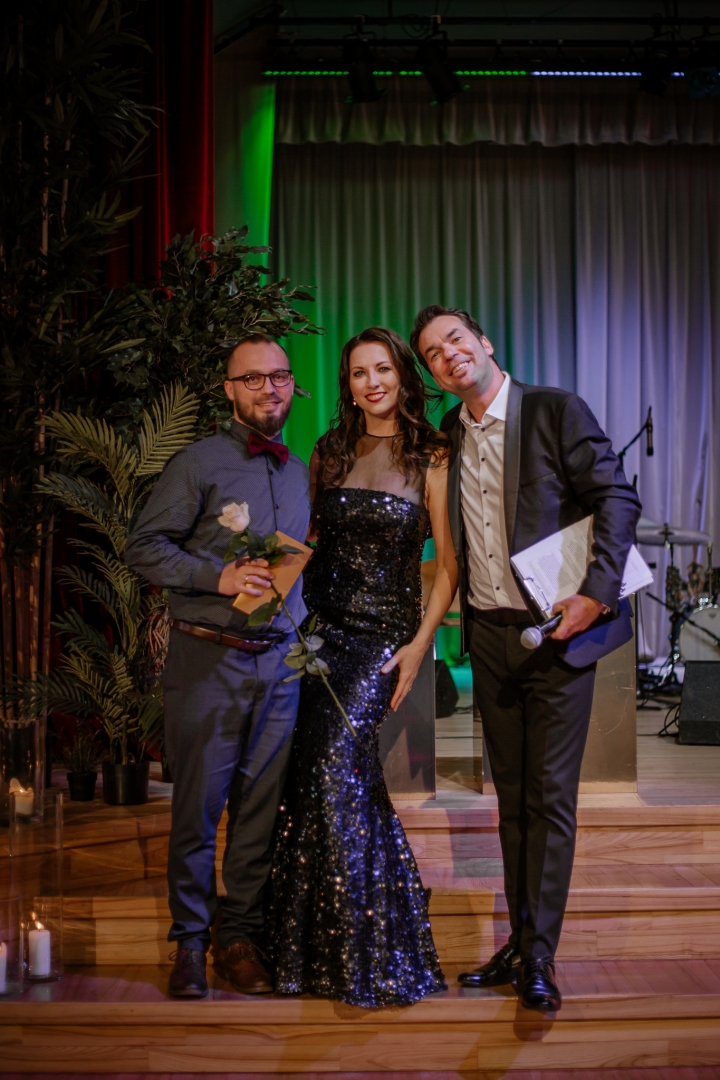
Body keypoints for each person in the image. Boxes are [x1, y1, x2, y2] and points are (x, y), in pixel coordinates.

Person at [410, 306, 641, 1013]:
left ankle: (540, 955)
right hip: (488, 637)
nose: (448, 354)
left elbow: (616, 497)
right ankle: (519, 942)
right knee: (510, 799)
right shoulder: (450, 434)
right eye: (432, 353)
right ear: (433, 375)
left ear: (482, 342)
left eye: (455, 339)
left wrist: (596, 594)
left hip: (558, 632)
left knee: (549, 798)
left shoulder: (553, 410)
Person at [264, 327, 457, 1007]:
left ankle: (364, 947)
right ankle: (329, 946)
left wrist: (419, 647)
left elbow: (449, 568)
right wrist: (255, 583)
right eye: (358, 373)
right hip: (321, 636)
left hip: (381, 641)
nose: (371, 383)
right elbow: (307, 542)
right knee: (315, 777)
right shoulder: (331, 450)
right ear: (347, 386)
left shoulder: (432, 455)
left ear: (403, 376)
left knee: (335, 767)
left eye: (382, 370)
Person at [125, 334, 311, 999]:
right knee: (198, 813)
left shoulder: (300, 472)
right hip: (207, 660)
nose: (269, 388)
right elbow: (143, 546)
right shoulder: (197, 462)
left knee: (259, 816)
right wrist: (218, 576)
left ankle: (240, 941)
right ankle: (190, 943)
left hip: (279, 669)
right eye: (253, 378)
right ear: (229, 389)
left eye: (279, 376)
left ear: (293, 385)